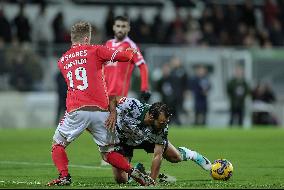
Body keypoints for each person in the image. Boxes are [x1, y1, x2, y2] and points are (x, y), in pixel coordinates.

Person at [47, 21, 154, 186]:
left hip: (77, 109)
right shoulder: (96, 50)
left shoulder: (62, 61)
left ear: (72, 38)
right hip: (101, 112)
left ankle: (64, 176)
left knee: (57, 145)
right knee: (108, 153)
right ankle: (132, 171)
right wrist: (132, 51)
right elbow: (124, 57)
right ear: (86, 37)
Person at [88, 97, 212, 184]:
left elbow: (157, 156)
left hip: (146, 139)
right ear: (152, 117)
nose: (165, 125)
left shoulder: (161, 128)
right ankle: (139, 169)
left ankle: (191, 154)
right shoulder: (133, 106)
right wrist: (113, 112)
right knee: (121, 180)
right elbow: (113, 99)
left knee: (176, 157)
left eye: (166, 121)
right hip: (123, 140)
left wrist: (151, 181)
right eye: (162, 122)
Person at [104, 15, 151, 103]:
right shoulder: (108, 44)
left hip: (118, 96)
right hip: (103, 93)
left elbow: (142, 65)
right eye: (118, 26)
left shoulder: (131, 46)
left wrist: (144, 88)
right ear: (114, 27)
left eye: (123, 26)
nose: (120, 29)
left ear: (128, 28)